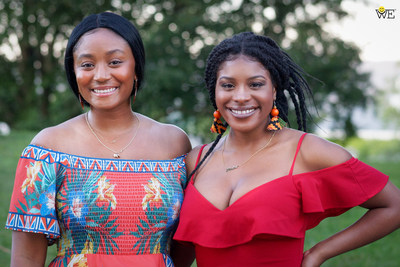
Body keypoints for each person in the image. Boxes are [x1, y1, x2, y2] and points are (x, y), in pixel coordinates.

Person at [173, 32, 400, 267]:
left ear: (274, 90)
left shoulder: (306, 151)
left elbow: (393, 205)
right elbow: (184, 248)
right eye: (228, 85)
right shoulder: (196, 160)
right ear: (215, 91)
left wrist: (318, 253)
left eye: (256, 84)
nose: (240, 97)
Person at [6, 12, 191, 266]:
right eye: (87, 64)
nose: (101, 75)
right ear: (74, 72)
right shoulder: (46, 148)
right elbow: (26, 258)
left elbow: (185, 244)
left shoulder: (175, 143)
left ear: (136, 67)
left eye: (115, 62)